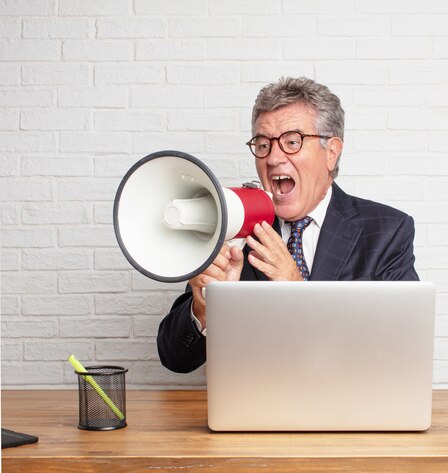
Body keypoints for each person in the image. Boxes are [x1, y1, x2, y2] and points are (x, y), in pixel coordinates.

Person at [157, 77, 419, 373]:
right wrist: (205, 308)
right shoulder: (235, 225)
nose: (273, 158)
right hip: (254, 411)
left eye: (292, 142)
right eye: (263, 144)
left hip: (348, 410)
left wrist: (296, 290)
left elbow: (402, 348)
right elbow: (175, 358)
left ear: (331, 152)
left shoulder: (387, 231)